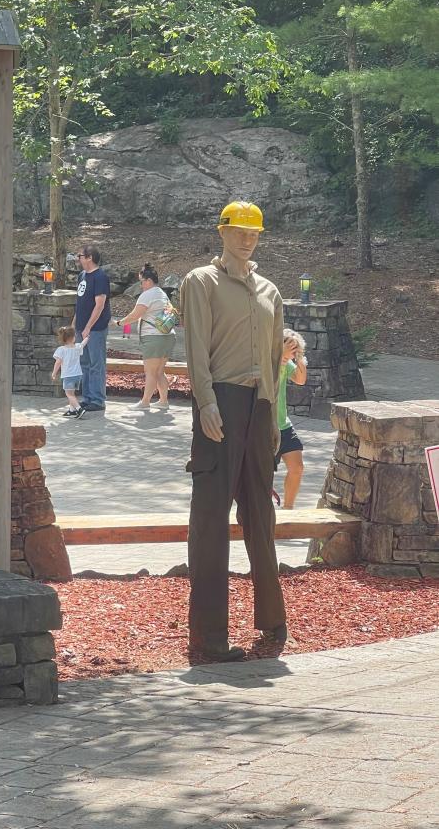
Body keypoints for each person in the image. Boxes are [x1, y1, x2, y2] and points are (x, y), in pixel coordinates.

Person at [181, 200, 287, 663]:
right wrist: (205, 402)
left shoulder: (270, 291)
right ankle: (209, 636)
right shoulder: (201, 282)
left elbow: (275, 360)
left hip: (260, 405)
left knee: (261, 514)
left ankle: (273, 620)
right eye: (239, 230)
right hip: (220, 403)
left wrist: (275, 417)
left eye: (254, 232)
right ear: (221, 231)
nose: (247, 238)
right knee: (210, 519)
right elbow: (195, 348)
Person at [115, 263, 176, 411]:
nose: (141, 285)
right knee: (160, 371)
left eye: (141, 282)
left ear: (148, 280)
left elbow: (135, 315)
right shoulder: (162, 294)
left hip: (154, 338)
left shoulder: (147, 295)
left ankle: (145, 402)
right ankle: (163, 401)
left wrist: (119, 323)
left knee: (150, 372)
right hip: (167, 337)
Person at [71, 243, 111, 418]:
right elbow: (80, 304)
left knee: (96, 364)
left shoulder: (100, 277)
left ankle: (97, 399)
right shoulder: (82, 276)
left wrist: (88, 327)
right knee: (85, 364)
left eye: (79, 255)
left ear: (89, 258)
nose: (77, 259)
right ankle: (87, 397)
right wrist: (74, 325)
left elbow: (100, 304)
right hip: (81, 328)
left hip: (95, 329)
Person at [275, 329, 307, 509]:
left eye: (294, 350)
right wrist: (282, 356)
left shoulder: (287, 364)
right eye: (290, 349)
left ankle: (288, 509)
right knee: (263, 474)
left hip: (284, 425)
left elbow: (300, 380)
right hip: (264, 426)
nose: (291, 353)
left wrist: (299, 358)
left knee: (297, 468)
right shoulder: (269, 362)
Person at [51, 326, 86, 417]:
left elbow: (58, 362)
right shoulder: (77, 347)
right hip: (78, 375)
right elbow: (83, 344)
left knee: (69, 394)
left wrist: (54, 373)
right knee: (72, 393)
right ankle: (71, 410)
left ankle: (79, 409)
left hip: (68, 375)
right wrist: (87, 338)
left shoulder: (61, 350)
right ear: (73, 337)